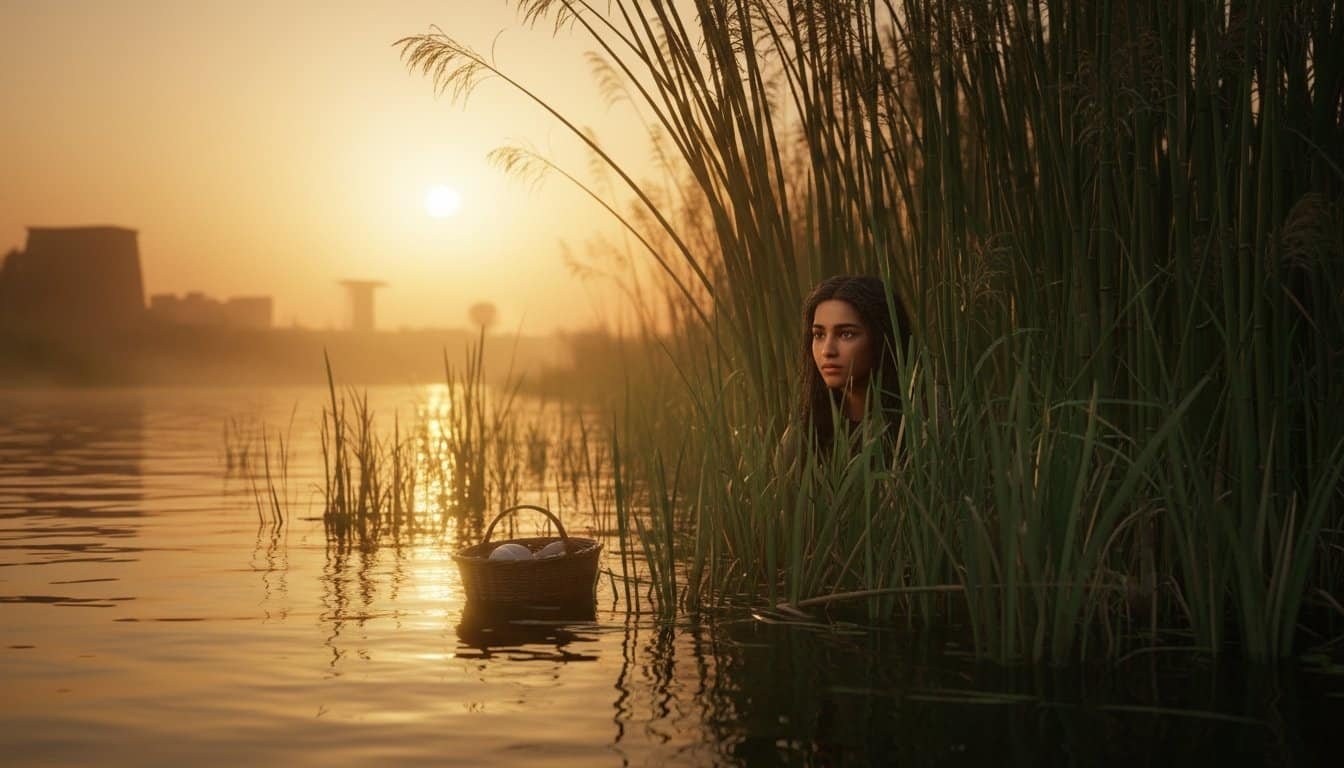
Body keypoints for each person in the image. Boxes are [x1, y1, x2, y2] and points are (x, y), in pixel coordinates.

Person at [775, 275, 912, 472]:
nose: (827, 351)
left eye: (846, 334)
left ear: (882, 337)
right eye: (819, 335)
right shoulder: (802, 439)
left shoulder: (917, 431)